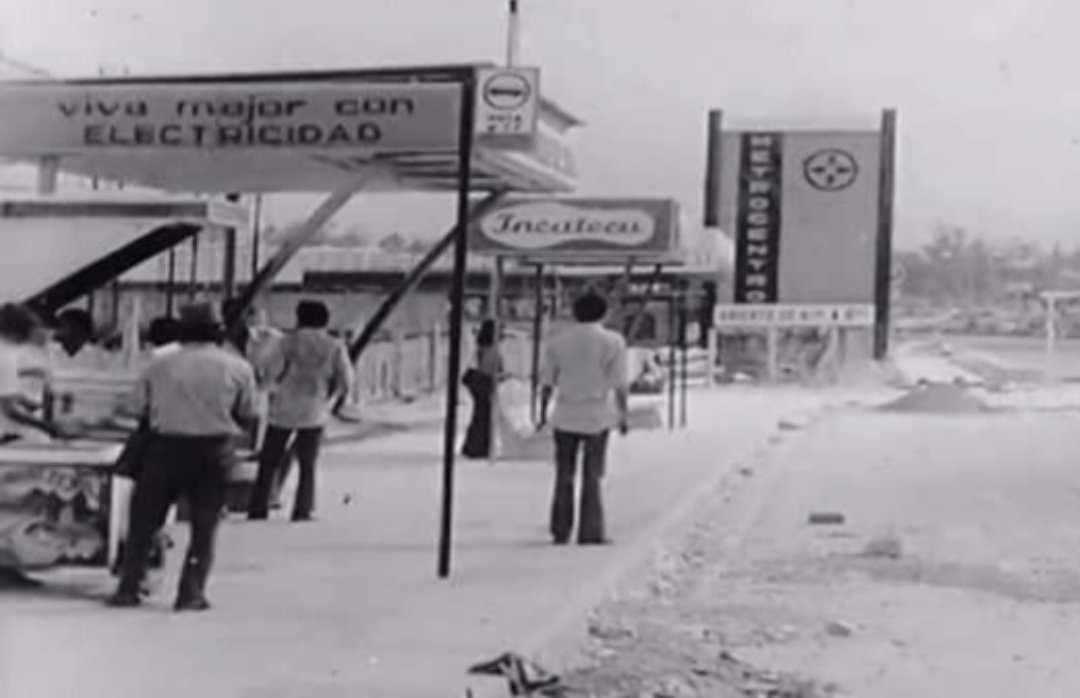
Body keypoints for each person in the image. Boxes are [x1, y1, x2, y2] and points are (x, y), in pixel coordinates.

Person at [106, 302, 259, 611]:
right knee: (204, 527)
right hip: (214, 452)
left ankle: (129, 587)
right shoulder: (239, 367)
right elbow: (249, 414)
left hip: (164, 449)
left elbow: (135, 408)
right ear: (219, 331)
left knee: (144, 522)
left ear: (182, 331)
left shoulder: (159, 365)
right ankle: (191, 593)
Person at [537, 291, 630, 546]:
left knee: (563, 474)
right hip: (597, 416)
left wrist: (542, 414)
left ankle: (560, 529)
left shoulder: (557, 343)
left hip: (564, 414)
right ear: (603, 313)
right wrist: (623, 415)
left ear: (574, 313)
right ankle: (590, 531)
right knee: (592, 476)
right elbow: (620, 384)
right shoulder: (614, 341)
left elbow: (547, 383)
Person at [247, 300, 352, 522]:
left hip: (283, 408)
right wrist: (334, 400)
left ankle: (258, 506)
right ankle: (303, 509)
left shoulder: (286, 342)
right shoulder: (334, 346)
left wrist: (264, 389)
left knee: (269, 461)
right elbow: (346, 379)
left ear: (299, 318)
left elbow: (272, 370)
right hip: (315, 409)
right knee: (307, 464)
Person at [462, 319, 504, 459]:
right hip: (485, 381)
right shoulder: (492, 349)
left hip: (478, 382)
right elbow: (491, 367)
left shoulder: (481, 346)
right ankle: (478, 446)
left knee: (480, 415)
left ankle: (474, 446)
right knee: (483, 416)